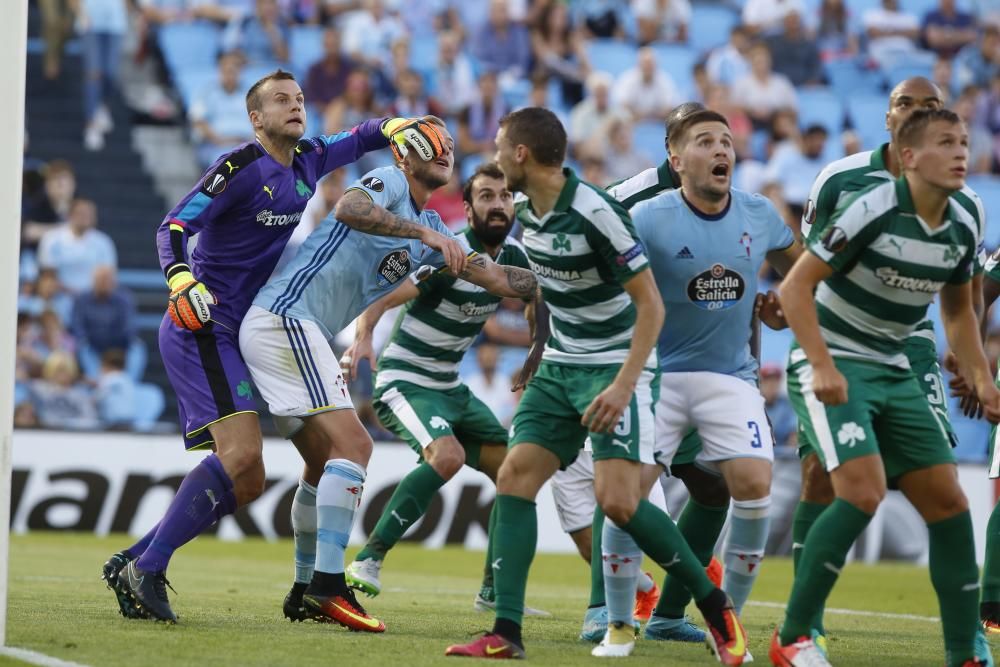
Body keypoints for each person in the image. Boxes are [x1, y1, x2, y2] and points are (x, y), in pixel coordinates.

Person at [99, 67, 438, 624]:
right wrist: (180, 278)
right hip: (203, 323)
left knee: (250, 478)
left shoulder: (307, 158)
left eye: (300, 98)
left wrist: (400, 123)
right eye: (281, 100)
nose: (295, 106)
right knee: (241, 456)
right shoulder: (237, 167)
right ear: (256, 118)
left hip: (238, 331)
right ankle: (149, 568)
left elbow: (362, 137)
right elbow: (172, 225)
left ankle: (133, 559)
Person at [443, 107, 747, 664]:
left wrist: (625, 385)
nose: (490, 150)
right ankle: (506, 632)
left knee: (620, 503)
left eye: (497, 142)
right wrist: (486, 280)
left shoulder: (596, 212)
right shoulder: (527, 215)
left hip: (613, 368)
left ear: (520, 155)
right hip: (561, 367)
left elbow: (650, 305)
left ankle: (715, 606)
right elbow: (546, 284)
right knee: (514, 477)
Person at [240, 117, 539, 633]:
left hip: (290, 327)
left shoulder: (439, 235)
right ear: (404, 155)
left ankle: (303, 587)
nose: (444, 150)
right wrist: (420, 231)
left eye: (449, 147)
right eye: (431, 144)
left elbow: (494, 276)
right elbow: (349, 208)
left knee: (319, 464)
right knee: (355, 448)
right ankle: (331, 587)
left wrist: (562, 277)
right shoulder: (392, 183)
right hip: (287, 318)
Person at [771, 108, 998, 667]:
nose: (961, 153)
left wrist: (982, 377)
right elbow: (796, 288)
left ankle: (963, 652)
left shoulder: (965, 221)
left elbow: (959, 311)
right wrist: (821, 366)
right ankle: (793, 636)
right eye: (946, 142)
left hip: (895, 365)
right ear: (910, 156)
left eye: (965, 142)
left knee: (948, 501)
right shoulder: (869, 209)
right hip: (835, 359)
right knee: (863, 490)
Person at [601, 109, 800, 660]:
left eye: (727, 142)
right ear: (676, 158)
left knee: (753, 486)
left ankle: (726, 627)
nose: (721, 151)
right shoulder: (646, 217)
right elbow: (604, 283)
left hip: (729, 376)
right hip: (657, 375)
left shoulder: (760, 214)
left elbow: (804, 273)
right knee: (623, 499)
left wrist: (785, 304)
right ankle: (618, 625)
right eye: (706, 141)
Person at [337, 162, 546, 616]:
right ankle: (368, 560)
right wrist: (364, 338)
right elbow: (383, 295)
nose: (498, 204)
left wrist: (536, 350)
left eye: (505, 196)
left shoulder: (514, 258)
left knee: (515, 475)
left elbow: (537, 300)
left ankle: (494, 591)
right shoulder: (447, 252)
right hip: (405, 378)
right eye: (486, 196)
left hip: (449, 385)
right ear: (467, 208)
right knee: (447, 456)